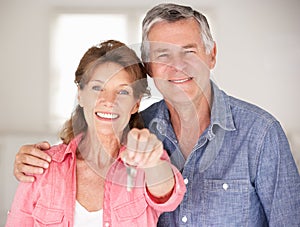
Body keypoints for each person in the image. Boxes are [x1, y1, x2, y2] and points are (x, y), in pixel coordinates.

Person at [13, 3, 300, 226]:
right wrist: (31, 158)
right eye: (162, 55)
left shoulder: (261, 133)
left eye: (189, 52)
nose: (177, 66)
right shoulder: (136, 128)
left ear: (211, 55)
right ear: (149, 68)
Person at [6, 39, 186, 227]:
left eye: (123, 92)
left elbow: (167, 194)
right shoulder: (43, 166)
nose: (109, 101)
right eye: (97, 88)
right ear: (80, 95)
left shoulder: (147, 161)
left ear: (136, 104)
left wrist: (152, 163)